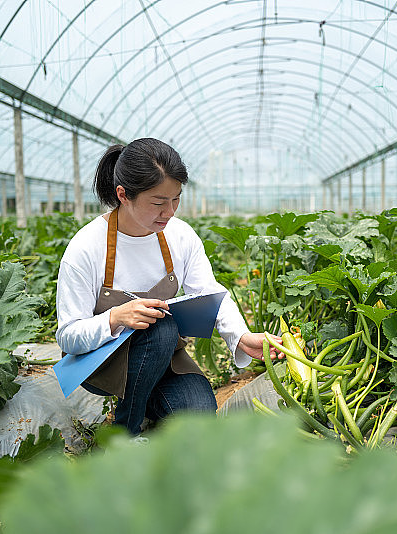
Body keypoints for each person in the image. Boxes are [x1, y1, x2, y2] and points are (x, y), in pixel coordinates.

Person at [55, 138, 281, 435]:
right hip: (102, 365)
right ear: (123, 195)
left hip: (160, 361)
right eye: (158, 203)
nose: (170, 211)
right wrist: (115, 318)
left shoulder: (179, 236)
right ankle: (124, 432)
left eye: (176, 199)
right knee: (160, 328)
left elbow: (209, 291)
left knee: (199, 416)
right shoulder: (86, 247)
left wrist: (240, 336)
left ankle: (144, 399)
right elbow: (67, 336)